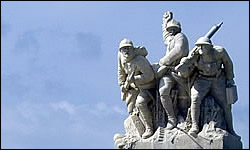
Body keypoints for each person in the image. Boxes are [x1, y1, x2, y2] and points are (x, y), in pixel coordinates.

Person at [176, 36, 239, 137]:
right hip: (202, 80)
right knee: (195, 98)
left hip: (217, 79)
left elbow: (228, 64)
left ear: (209, 47)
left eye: (203, 46)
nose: (200, 49)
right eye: (199, 46)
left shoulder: (219, 52)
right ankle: (195, 126)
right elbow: (185, 74)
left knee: (226, 104)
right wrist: (186, 63)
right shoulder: (194, 56)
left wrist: (230, 79)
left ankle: (230, 129)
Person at [118, 38, 156, 139]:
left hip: (147, 87)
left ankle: (149, 128)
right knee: (131, 110)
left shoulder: (140, 60)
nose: (126, 51)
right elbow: (120, 71)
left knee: (140, 103)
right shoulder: (121, 57)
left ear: (133, 49)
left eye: (128, 48)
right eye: (124, 49)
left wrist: (134, 80)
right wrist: (122, 84)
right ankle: (135, 132)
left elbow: (150, 76)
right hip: (132, 88)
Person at [158, 11, 189, 130]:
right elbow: (165, 36)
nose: (170, 31)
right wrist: (165, 21)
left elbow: (179, 50)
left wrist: (164, 60)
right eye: (169, 29)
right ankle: (171, 118)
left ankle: (184, 117)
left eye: (172, 29)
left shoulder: (181, 37)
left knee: (183, 96)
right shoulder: (170, 38)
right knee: (163, 91)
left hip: (180, 72)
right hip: (168, 72)